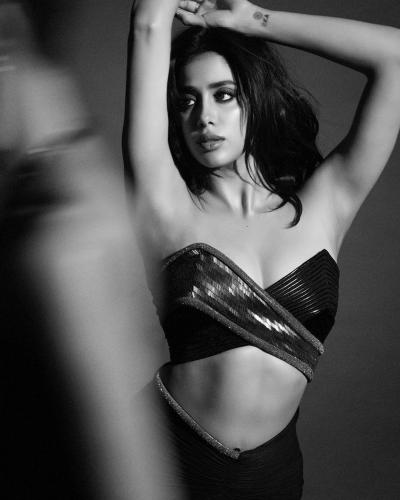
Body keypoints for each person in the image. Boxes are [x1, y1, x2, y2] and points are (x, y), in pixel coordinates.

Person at [125, 0, 400, 498]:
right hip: (166, 460)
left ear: (255, 98)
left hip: (272, 475)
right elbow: (148, 21)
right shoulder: (165, 205)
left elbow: (396, 55)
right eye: (186, 101)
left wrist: (253, 20)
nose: (204, 117)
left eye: (223, 95)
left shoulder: (326, 203)